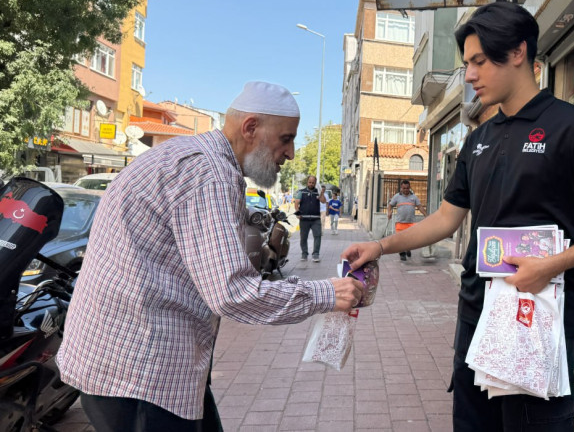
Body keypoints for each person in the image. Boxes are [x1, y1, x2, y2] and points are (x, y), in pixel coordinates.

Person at [342, 2, 574, 432]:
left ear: (519, 52)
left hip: (537, 316)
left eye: (479, 62)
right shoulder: (479, 139)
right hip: (476, 314)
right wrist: (381, 245)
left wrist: (552, 264)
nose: (469, 75)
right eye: (468, 63)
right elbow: (447, 218)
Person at [57, 81, 364, 432]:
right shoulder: (207, 172)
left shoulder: (197, 159)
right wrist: (327, 294)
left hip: (148, 367)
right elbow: (232, 293)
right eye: (285, 139)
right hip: (139, 374)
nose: (291, 152)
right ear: (251, 128)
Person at [387, 179, 427, 261]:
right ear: (401, 188)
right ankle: (402, 254)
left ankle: (408, 248)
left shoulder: (414, 197)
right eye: (404, 188)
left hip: (411, 223)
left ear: (409, 188)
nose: (405, 190)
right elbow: (390, 205)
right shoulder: (397, 196)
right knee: (400, 239)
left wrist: (426, 215)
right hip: (400, 222)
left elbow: (420, 207)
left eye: (407, 188)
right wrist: (389, 212)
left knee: (410, 239)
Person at [294, 175, 326, 262]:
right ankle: (304, 254)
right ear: (307, 182)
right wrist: (298, 213)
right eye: (309, 182)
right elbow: (296, 203)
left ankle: (316, 255)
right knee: (303, 237)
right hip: (304, 219)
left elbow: (323, 201)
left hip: (316, 219)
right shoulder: (301, 192)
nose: (311, 184)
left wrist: (322, 192)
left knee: (317, 236)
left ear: (315, 183)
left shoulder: (318, 192)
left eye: (313, 182)